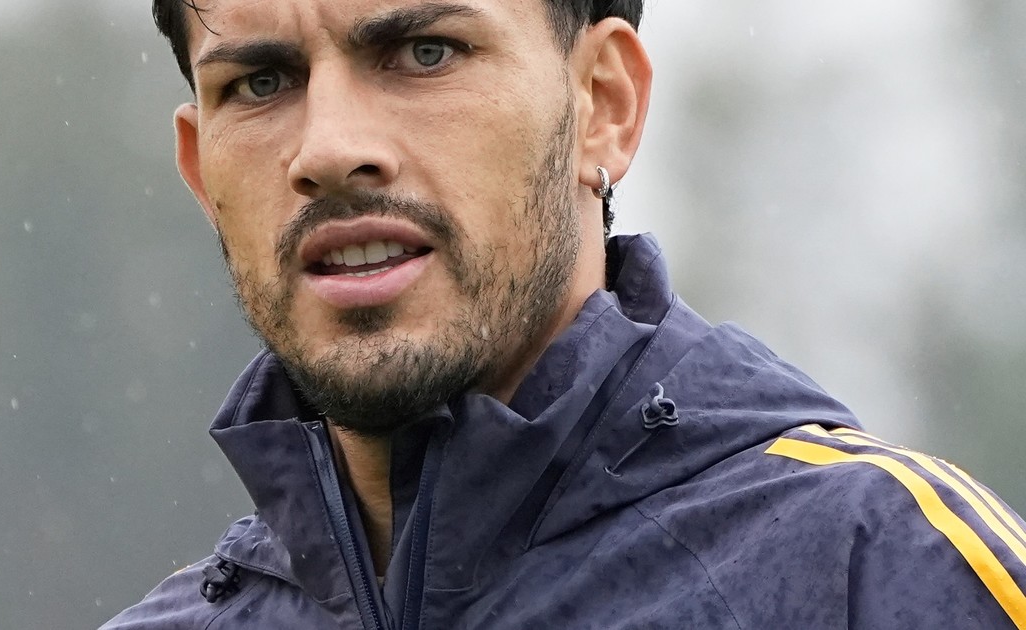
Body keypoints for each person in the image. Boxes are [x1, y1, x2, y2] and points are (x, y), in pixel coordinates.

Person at [103, 0, 1026, 627]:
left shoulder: (877, 568)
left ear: (603, 105)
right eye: (261, 83)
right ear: (201, 173)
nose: (330, 150)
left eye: (425, 52)